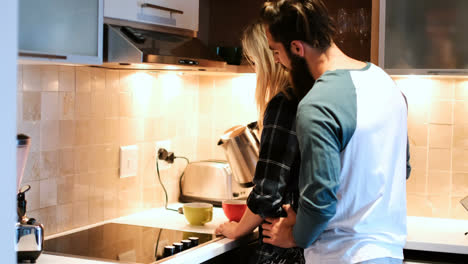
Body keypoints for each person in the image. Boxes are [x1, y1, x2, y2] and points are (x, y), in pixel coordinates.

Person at [258, 1, 411, 263]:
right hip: (388, 254)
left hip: (342, 256)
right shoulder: (385, 82)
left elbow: (320, 202)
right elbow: (403, 169)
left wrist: (294, 235)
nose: (278, 61)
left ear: (297, 48)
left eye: (276, 51)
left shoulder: (317, 104)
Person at [215, 22, 313, 264]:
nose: (256, 69)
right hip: (308, 243)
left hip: (282, 248)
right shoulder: (312, 96)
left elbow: (268, 192)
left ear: (271, 58)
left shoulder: (284, 103)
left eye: (255, 61)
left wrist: (238, 230)